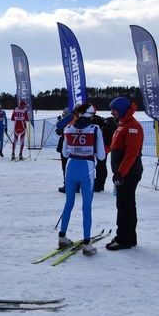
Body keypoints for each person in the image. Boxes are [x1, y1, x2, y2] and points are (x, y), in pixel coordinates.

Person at [57, 103, 106, 256]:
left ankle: (62, 236)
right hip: (87, 169)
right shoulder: (95, 129)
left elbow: (65, 153)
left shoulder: (69, 128)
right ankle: (86, 244)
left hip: (71, 168)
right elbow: (101, 156)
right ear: (90, 115)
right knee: (86, 207)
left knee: (68, 203)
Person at [106, 96, 144, 250]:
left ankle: (123, 238)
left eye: (114, 110)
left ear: (121, 110)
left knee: (124, 206)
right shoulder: (122, 124)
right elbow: (115, 147)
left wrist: (121, 173)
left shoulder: (133, 126)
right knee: (126, 204)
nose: (112, 113)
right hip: (123, 172)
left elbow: (131, 153)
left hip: (129, 173)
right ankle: (129, 237)